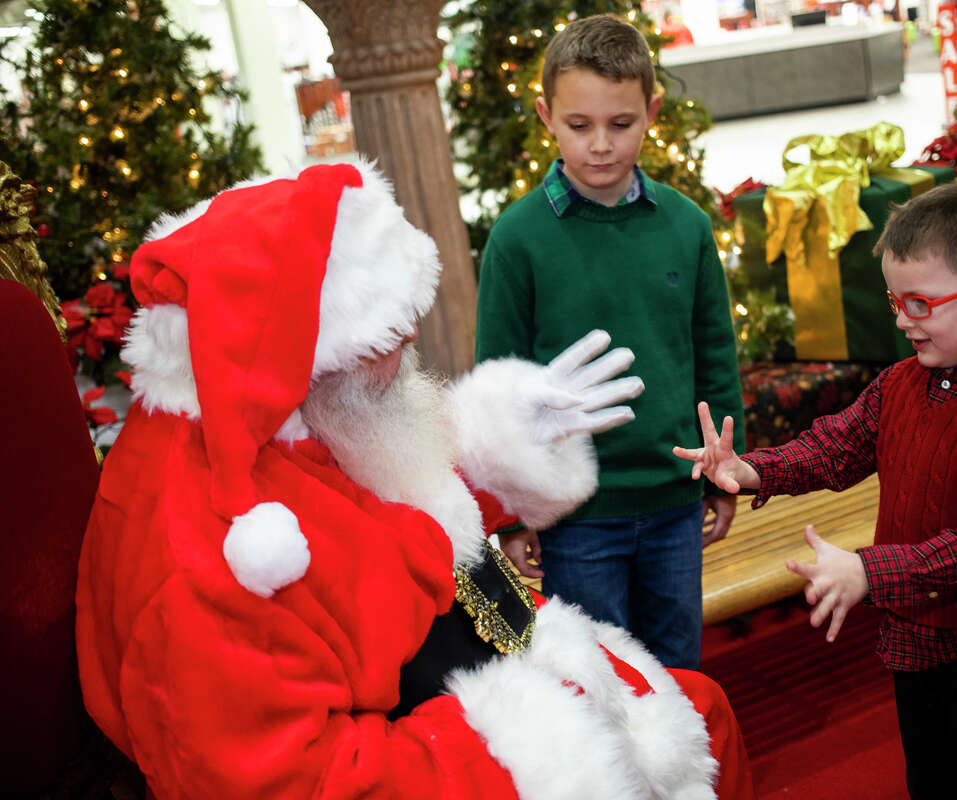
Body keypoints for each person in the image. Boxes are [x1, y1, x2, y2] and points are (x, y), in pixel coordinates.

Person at [75, 160, 756, 800]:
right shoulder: (211, 556)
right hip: (415, 741)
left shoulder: (279, 416)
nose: (407, 357)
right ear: (297, 356)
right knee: (690, 721)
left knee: (702, 706)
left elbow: (384, 522)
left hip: (452, 665)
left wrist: (498, 455)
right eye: (381, 344)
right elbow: (300, 782)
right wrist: (546, 732)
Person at [675, 181, 957, 799]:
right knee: (933, 783)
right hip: (915, 642)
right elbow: (836, 446)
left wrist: (869, 571)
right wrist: (756, 470)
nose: (901, 320)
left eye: (921, 303)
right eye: (894, 301)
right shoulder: (899, 383)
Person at [475, 13, 745, 671]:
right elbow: (497, 386)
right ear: (545, 116)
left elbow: (714, 353)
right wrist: (511, 513)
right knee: (602, 682)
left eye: (620, 125)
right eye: (579, 125)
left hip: (675, 505)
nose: (600, 144)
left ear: (651, 111)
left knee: (679, 674)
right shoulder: (517, 239)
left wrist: (725, 471)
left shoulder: (686, 225)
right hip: (576, 517)